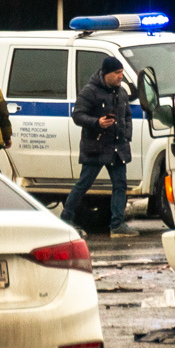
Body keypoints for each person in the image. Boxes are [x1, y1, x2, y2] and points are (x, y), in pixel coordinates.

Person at [65, 59, 137, 237]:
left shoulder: (121, 92)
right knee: (84, 184)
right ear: (106, 74)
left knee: (120, 185)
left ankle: (117, 226)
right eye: (117, 72)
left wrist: (126, 135)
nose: (121, 76)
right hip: (96, 146)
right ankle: (65, 219)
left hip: (118, 147)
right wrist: (97, 123)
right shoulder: (90, 91)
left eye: (122, 72)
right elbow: (78, 115)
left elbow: (127, 116)